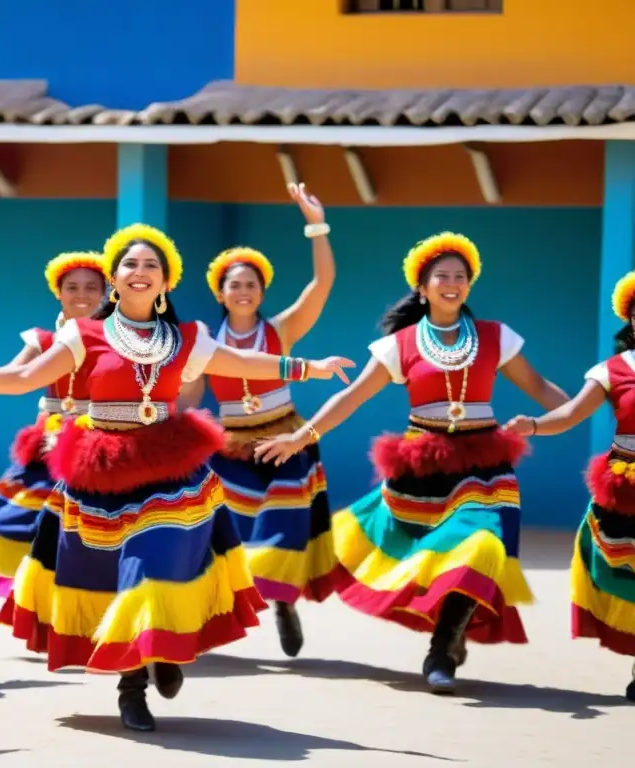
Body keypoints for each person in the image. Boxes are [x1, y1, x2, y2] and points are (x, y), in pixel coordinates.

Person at [0, 222, 354, 731]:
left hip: (169, 469)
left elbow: (243, 361)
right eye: (131, 264)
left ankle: (149, 667)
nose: (141, 271)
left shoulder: (186, 338)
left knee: (155, 563)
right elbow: (25, 379)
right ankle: (140, 673)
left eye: (152, 265)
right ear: (114, 279)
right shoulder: (82, 334)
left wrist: (310, 367)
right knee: (113, 576)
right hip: (101, 472)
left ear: (167, 282)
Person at [255, 232, 569, 694]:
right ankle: (446, 630)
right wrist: (301, 436)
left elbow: (543, 390)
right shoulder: (399, 345)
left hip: (485, 465)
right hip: (422, 469)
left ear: (469, 286)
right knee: (395, 550)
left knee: (481, 545)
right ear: (422, 287)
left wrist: (578, 414)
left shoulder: (495, 337)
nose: (451, 283)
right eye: (441, 276)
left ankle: (440, 652)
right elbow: (351, 397)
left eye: (460, 276)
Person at [184, 182, 339, 657]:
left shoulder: (282, 330)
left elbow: (322, 285)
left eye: (252, 284)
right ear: (222, 292)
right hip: (230, 446)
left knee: (285, 521)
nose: (244, 290)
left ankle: (284, 603)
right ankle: (204, 614)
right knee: (210, 525)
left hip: (285, 441)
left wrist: (317, 225)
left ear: (262, 291)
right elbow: (189, 394)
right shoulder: (206, 339)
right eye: (236, 284)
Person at [504, 270, 635, 701]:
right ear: (631, 319)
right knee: (619, 569)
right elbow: (571, 414)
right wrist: (534, 425)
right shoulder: (612, 371)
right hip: (626, 483)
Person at [0, 251, 104, 598]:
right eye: (72, 287)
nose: (82, 294)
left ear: (106, 293)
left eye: (92, 287)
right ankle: (35, 593)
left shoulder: (115, 339)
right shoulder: (44, 340)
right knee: (11, 511)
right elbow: (16, 374)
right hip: (46, 445)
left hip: (98, 446)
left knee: (86, 528)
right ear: (58, 293)